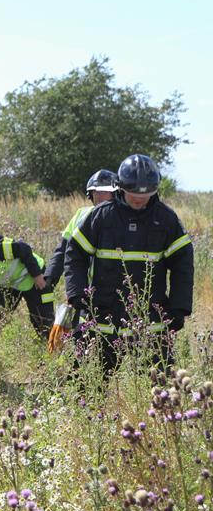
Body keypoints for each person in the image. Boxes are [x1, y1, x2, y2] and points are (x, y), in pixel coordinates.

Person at [64, 154, 193, 372]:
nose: (139, 199)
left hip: (151, 323)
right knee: (88, 392)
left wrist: (180, 307)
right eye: (133, 193)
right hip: (101, 320)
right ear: (121, 187)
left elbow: (183, 265)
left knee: (161, 394)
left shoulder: (167, 220)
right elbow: (75, 255)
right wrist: (77, 293)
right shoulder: (100, 217)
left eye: (146, 194)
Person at [44, 169, 118, 288]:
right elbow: (64, 248)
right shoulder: (81, 215)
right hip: (88, 287)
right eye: (94, 192)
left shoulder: (123, 217)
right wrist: (50, 275)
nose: (98, 196)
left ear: (115, 194)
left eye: (103, 191)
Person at [0, 234, 54, 339]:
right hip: (12, 283)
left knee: (43, 323)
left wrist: (37, 275)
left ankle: (54, 347)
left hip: (34, 276)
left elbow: (23, 248)